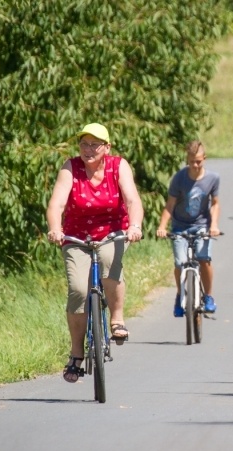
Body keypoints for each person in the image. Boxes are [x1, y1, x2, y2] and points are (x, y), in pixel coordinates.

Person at [46, 122, 144, 383]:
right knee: (78, 290)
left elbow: (133, 200)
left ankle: (117, 319)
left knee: (110, 262)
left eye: (94, 144)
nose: (88, 150)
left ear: (107, 147)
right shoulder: (71, 168)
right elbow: (56, 204)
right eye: (84, 144)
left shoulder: (118, 166)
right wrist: (55, 228)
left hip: (113, 233)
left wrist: (134, 225)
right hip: (76, 237)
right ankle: (76, 354)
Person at [156, 140, 221, 317]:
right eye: (191, 161)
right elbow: (170, 205)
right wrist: (162, 227)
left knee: (204, 258)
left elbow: (215, 204)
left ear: (204, 159)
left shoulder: (212, 178)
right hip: (180, 227)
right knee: (179, 262)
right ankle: (180, 295)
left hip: (202, 226)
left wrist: (214, 225)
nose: (194, 165)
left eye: (198, 161)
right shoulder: (179, 178)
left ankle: (208, 296)